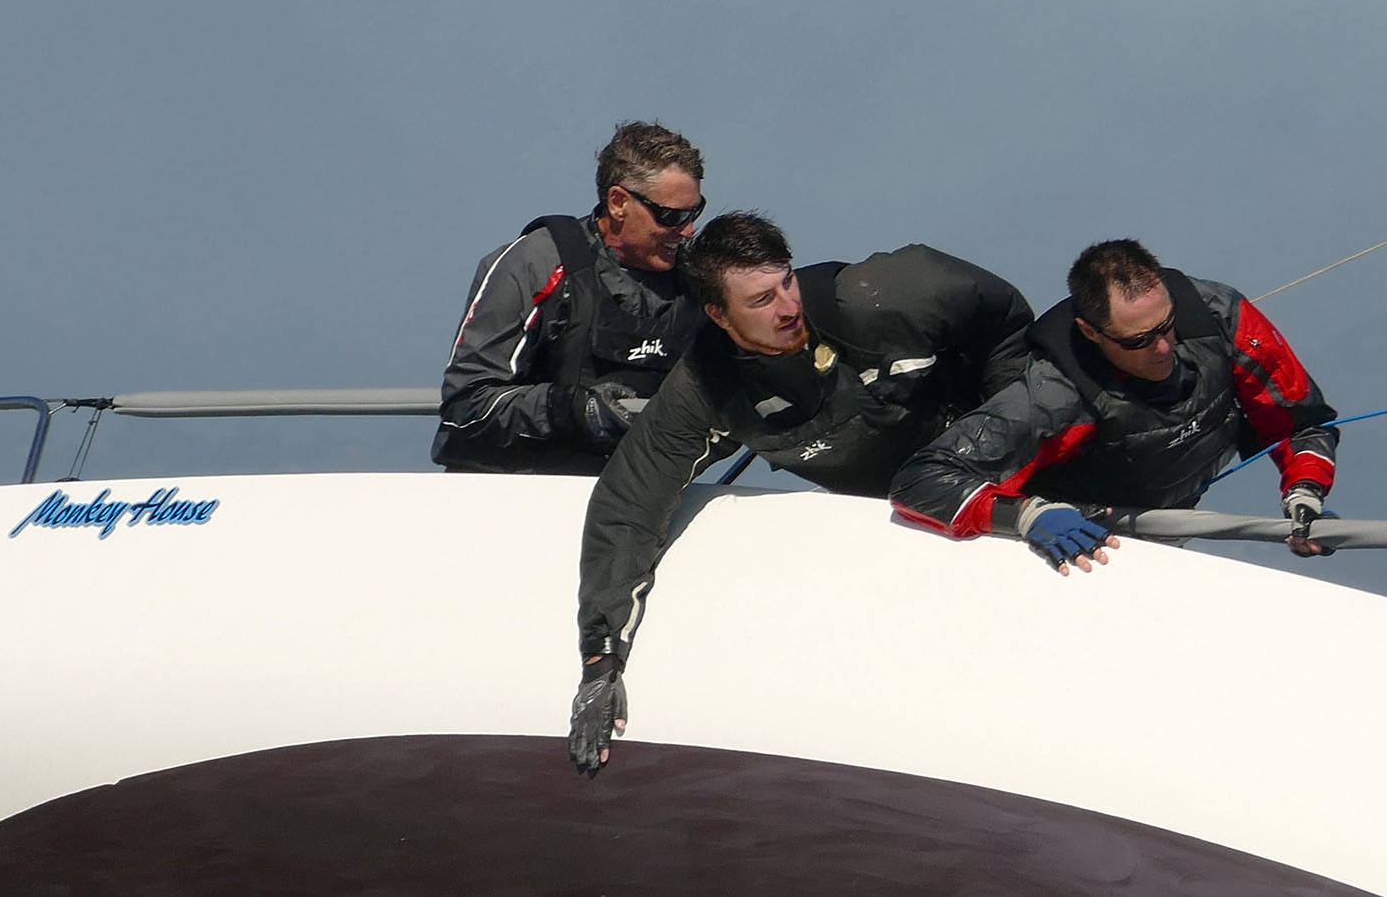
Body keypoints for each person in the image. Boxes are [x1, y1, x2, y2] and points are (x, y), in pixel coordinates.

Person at [567, 212, 1037, 772]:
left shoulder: (890, 293)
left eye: (786, 281)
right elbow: (628, 507)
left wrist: (1005, 447)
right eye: (761, 300)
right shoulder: (705, 390)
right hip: (907, 520)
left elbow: (1007, 317)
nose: (788, 307)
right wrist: (601, 662)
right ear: (719, 315)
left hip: (1002, 464)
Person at [888, 238, 1338, 572]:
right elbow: (921, 481)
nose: (1163, 348)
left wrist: (1305, 491)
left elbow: (1299, 420)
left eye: (1167, 325)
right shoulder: (1056, 394)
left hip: (1167, 525)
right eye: (1138, 341)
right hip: (1075, 546)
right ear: (1092, 332)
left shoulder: (1220, 316)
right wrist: (1026, 515)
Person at [437, 121, 711, 474]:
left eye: (694, 212)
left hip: (630, 493)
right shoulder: (535, 264)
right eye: (671, 216)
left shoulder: (699, 283)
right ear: (618, 202)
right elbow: (466, 406)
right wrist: (573, 409)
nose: (687, 230)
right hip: (513, 489)